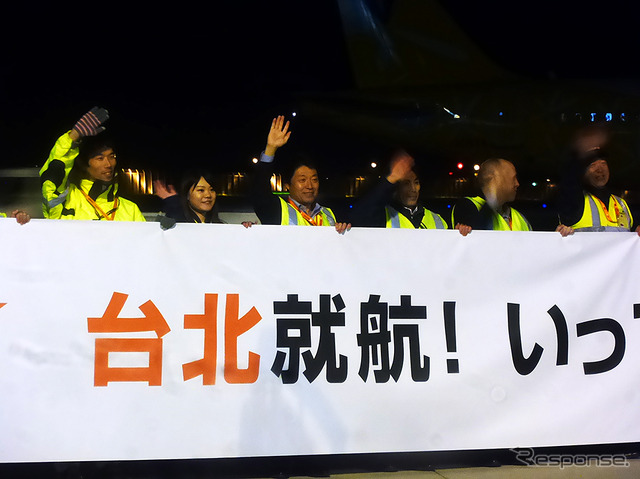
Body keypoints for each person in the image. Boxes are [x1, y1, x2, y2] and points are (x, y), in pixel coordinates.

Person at [39, 107, 145, 221]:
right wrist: (73, 137)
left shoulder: (130, 209)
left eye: (112, 157)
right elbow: (53, 174)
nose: (108, 164)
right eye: (100, 158)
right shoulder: (66, 199)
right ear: (84, 165)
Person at [250, 115, 350, 233]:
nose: (309, 186)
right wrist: (270, 149)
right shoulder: (277, 210)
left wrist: (344, 232)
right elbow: (259, 192)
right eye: (302, 180)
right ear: (287, 185)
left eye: (314, 179)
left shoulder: (330, 215)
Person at [557, 125, 639, 234]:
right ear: (583, 174)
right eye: (593, 165)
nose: (599, 169)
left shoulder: (622, 204)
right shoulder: (575, 202)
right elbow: (568, 182)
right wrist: (581, 153)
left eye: (603, 163)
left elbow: (631, 238)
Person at [350, 150, 448, 229]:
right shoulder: (383, 216)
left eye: (416, 183)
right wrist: (392, 178)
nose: (413, 189)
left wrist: (460, 233)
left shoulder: (437, 220)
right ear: (396, 188)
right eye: (406, 183)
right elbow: (359, 215)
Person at [452, 158, 531, 235]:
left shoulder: (519, 217)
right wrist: (493, 197)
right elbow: (474, 237)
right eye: (512, 178)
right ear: (496, 180)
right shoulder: (468, 206)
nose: (517, 184)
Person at [153, 170, 223, 224]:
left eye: (212, 190)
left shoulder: (222, 229)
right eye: (201, 190)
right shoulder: (176, 223)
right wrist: (173, 204)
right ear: (187, 195)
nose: (208, 195)